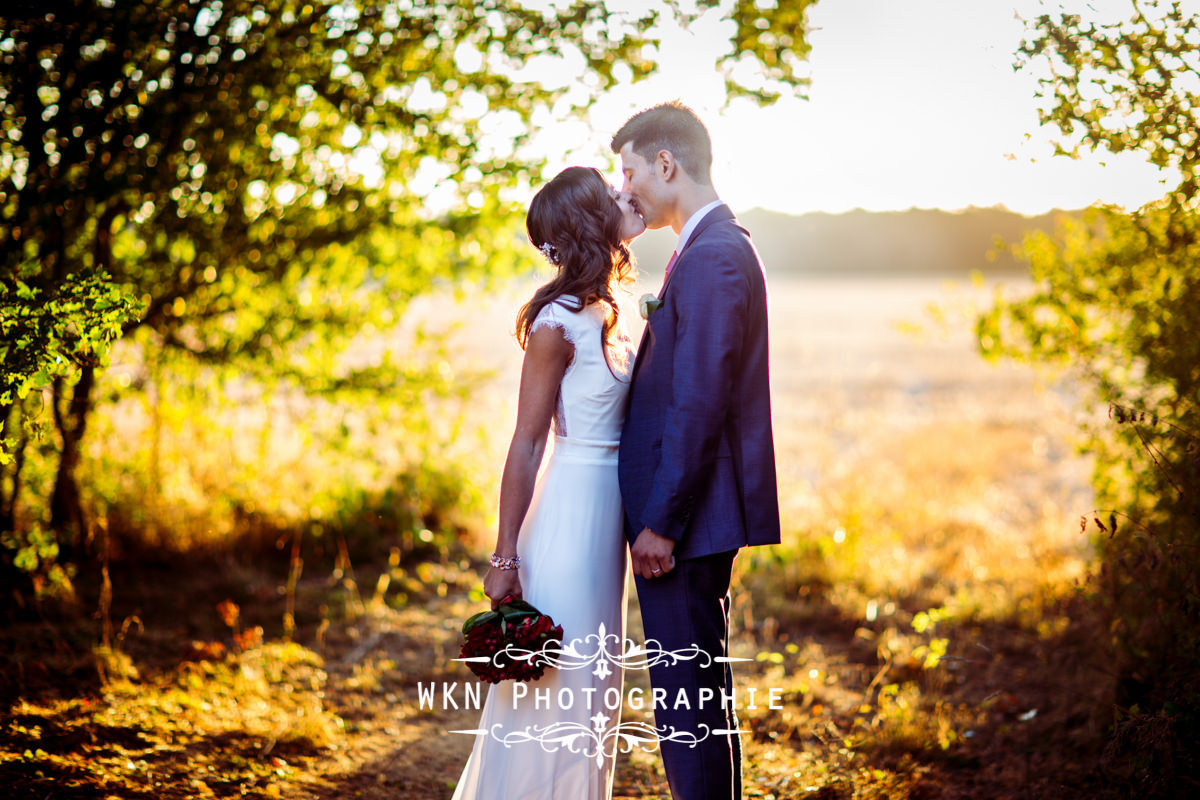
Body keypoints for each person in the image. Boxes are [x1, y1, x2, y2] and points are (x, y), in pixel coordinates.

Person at [451, 166, 646, 800]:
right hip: (564, 518)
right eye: (614, 197)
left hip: (607, 526)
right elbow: (527, 443)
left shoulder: (613, 311)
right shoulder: (557, 322)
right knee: (555, 692)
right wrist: (504, 557)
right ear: (594, 223)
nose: (627, 199)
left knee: (595, 692)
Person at [613, 101, 781, 800]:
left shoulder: (714, 255)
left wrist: (662, 522)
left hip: (688, 522)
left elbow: (700, 402)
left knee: (688, 705)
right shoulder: (707, 247)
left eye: (629, 172)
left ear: (666, 163)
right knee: (699, 699)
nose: (625, 191)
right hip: (693, 517)